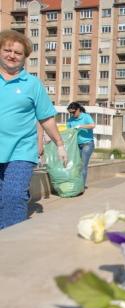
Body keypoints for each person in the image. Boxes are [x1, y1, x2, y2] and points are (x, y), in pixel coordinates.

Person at [0, 30, 67, 229]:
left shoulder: (33, 85)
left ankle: (13, 244)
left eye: (18, 53)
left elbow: (46, 117)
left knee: (13, 195)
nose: (12, 55)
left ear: (25, 57)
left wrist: (60, 144)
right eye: (7, 50)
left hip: (21, 150)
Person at [66, 102, 95, 188]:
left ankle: (81, 186)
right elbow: (68, 132)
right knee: (76, 165)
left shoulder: (86, 116)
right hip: (76, 145)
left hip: (87, 144)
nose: (72, 114)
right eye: (70, 112)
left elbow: (93, 125)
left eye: (74, 112)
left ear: (78, 110)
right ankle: (77, 183)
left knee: (83, 164)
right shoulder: (70, 120)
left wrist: (80, 126)